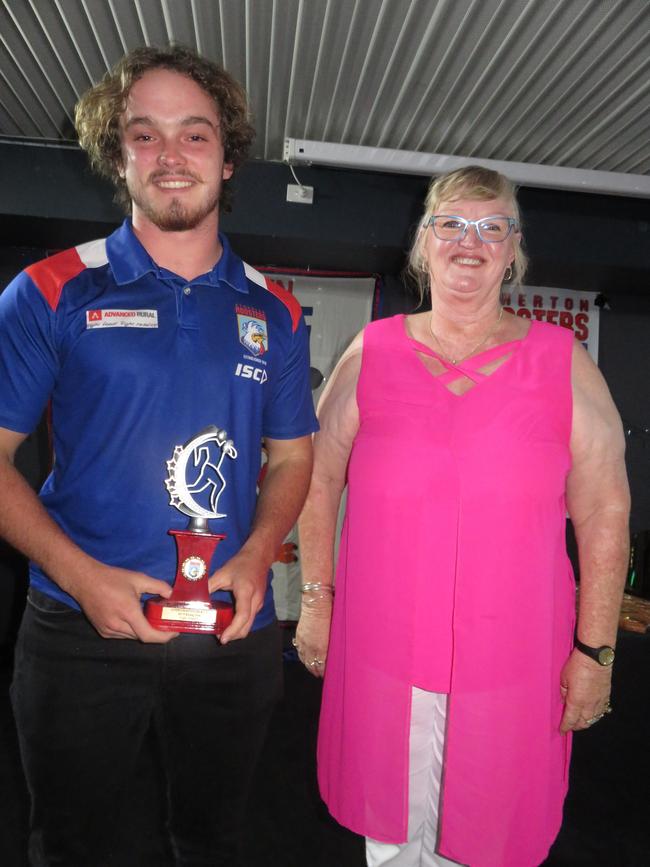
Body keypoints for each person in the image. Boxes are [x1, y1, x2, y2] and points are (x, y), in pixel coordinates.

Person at [0, 45, 317, 867]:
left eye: (195, 135)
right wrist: (82, 576)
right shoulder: (49, 289)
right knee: (69, 843)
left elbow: (290, 460)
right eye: (146, 136)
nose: (171, 157)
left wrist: (255, 559)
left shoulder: (275, 312)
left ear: (229, 155)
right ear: (118, 153)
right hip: (77, 626)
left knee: (212, 840)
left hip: (230, 627)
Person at [294, 165, 630, 867]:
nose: (469, 242)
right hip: (385, 647)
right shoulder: (373, 350)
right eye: (451, 224)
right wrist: (316, 599)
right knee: (391, 831)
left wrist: (596, 652)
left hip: (515, 658)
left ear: (514, 251)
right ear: (423, 244)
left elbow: (604, 512)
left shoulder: (563, 362)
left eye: (491, 227)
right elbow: (317, 480)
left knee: (492, 832)